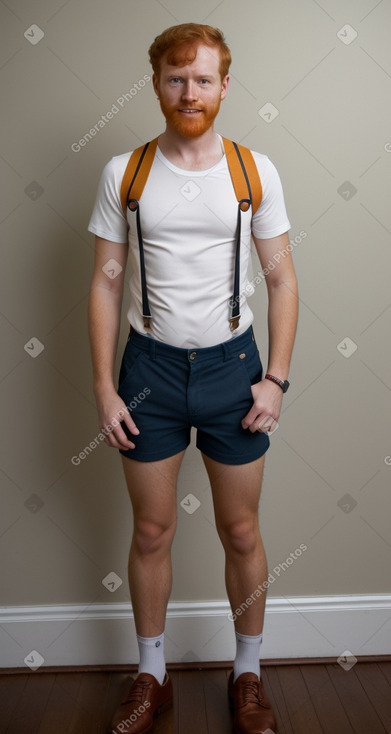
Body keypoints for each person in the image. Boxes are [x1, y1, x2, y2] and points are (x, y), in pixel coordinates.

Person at [88, 22, 298, 734]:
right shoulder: (126, 171)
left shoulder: (253, 171)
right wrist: (104, 386)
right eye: (176, 79)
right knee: (150, 532)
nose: (189, 93)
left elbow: (282, 281)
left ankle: (247, 675)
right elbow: (106, 285)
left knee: (240, 530)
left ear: (224, 86)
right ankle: (151, 675)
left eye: (203, 79)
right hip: (146, 370)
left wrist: (275, 379)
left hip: (232, 371)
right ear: (156, 84)